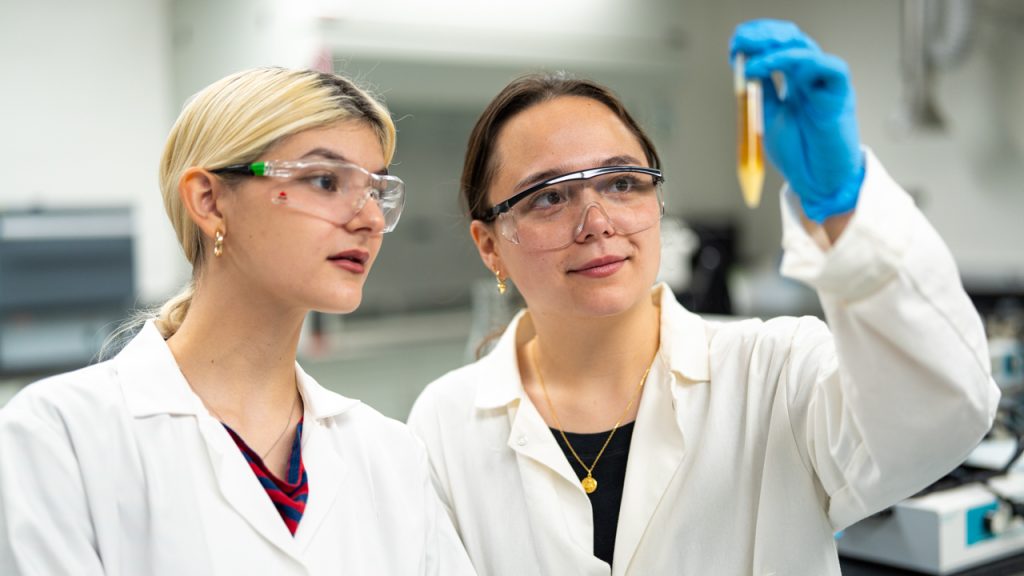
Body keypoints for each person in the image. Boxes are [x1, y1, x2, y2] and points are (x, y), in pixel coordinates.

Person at [407, 19, 1000, 576]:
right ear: (489, 246)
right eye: (548, 196)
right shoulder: (447, 421)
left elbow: (946, 411)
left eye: (621, 183)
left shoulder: (776, 373)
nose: (597, 221)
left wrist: (844, 207)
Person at [0, 67, 474, 575]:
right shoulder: (59, 437)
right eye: (325, 181)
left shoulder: (390, 455)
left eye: (377, 190)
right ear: (209, 200)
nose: (371, 219)